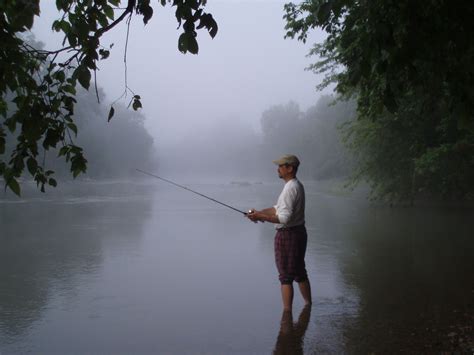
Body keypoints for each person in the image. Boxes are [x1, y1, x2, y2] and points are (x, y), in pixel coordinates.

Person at [247, 154, 312, 311]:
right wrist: (259, 212)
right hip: (297, 232)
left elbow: (284, 218)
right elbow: (277, 209)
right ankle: (308, 306)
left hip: (288, 235)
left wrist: (260, 216)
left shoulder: (291, 188)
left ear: (289, 168)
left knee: (286, 277)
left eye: (281, 166)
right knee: (299, 272)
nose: (278, 168)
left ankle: (286, 316)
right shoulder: (293, 185)